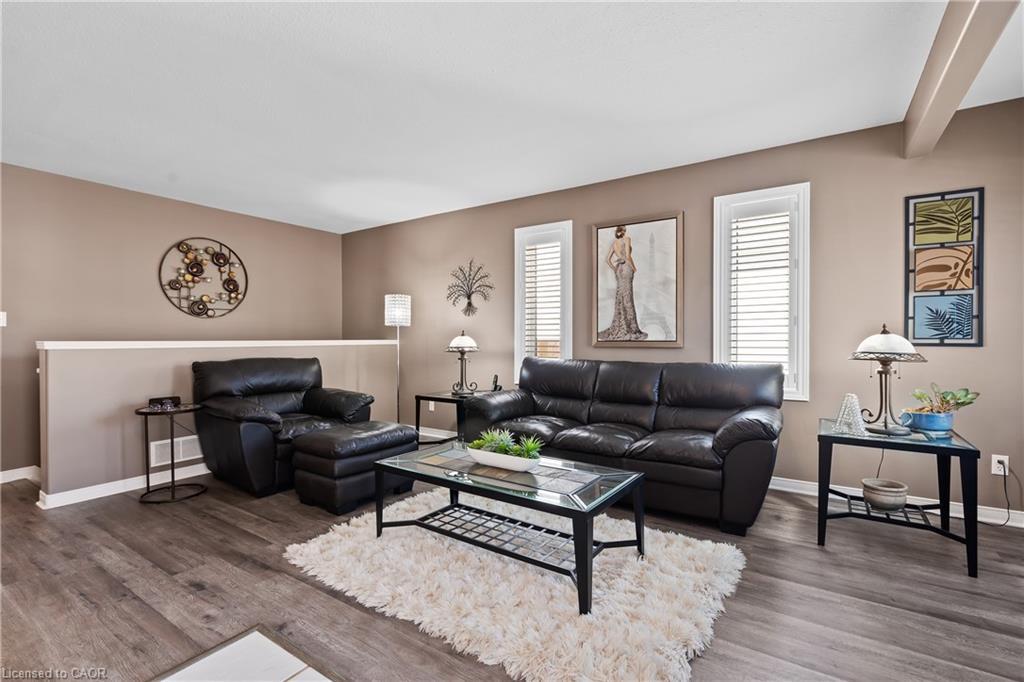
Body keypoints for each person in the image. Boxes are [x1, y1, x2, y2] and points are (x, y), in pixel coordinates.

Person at [598, 226, 647, 341]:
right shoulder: (627, 239)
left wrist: (614, 269)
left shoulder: (614, 243)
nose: (625, 231)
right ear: (623, 231)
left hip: (619, 269)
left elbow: (607, 260)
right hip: (626, 268)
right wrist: (634, 268)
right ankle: (630, 328)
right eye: (624, 229)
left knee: (621, 296)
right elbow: (628, 257)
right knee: (627, 296)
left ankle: (621, 326)